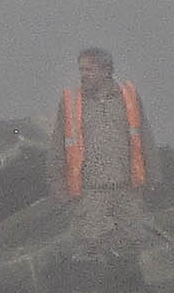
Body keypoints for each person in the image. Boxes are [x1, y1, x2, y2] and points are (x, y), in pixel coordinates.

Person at [58, 46, 149, 232]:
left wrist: (153, 178)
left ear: (106, 72)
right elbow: (58, 147)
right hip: (90, 191)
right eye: (81, 70)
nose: (83, 75)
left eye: (89, 70)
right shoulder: (71, 102)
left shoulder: (128, 97)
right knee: (91, 245)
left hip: (127, 188)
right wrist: (58, 188)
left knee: (133, 240)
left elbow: (145, 137)